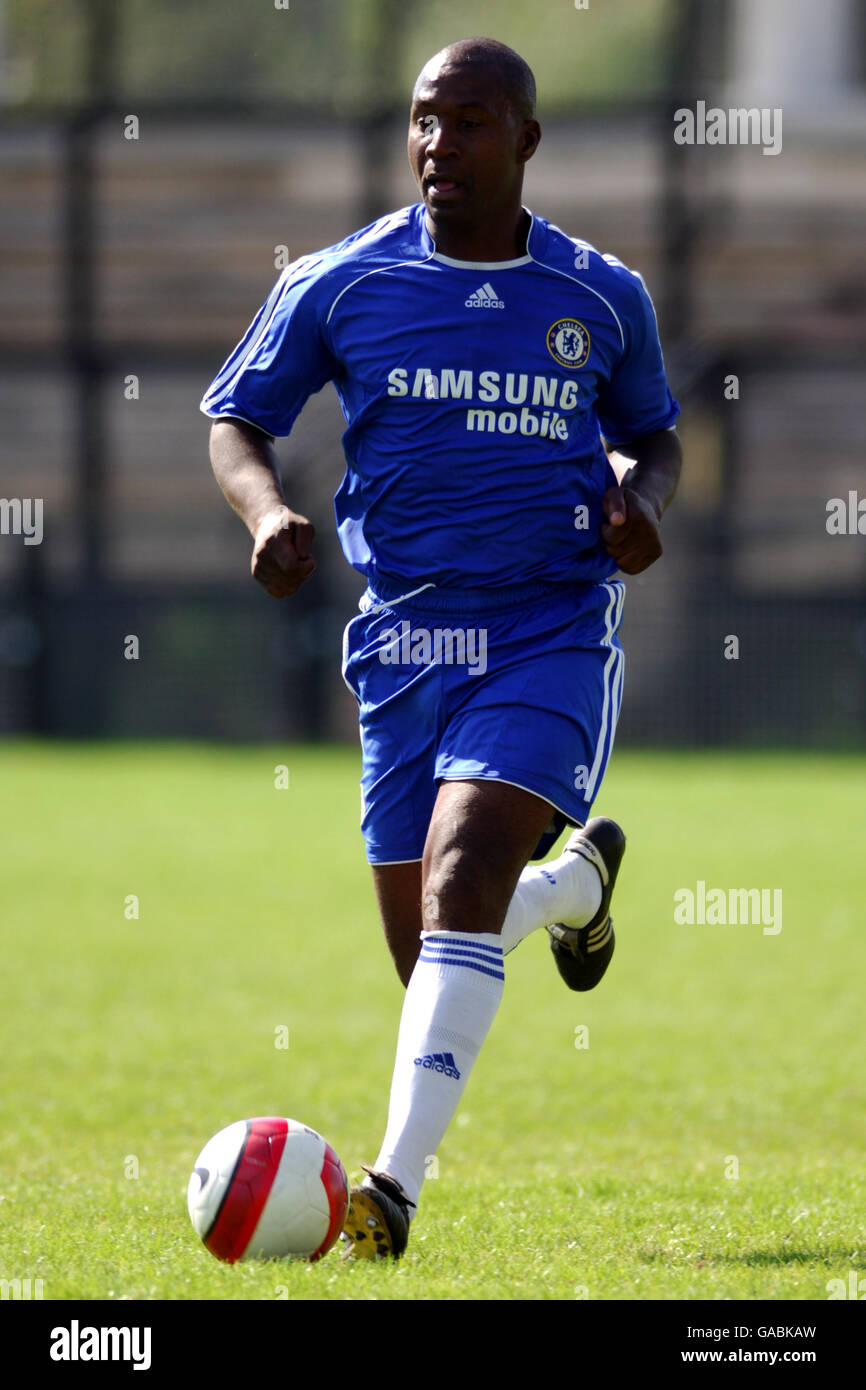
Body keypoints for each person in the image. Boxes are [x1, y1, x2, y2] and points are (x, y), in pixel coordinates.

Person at [202, 36, 681, 1260]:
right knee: (431, 943)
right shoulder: (342, 281)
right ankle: (570, 890)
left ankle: (388, 1194)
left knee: (461, 871)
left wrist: (641, 503)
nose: (437, 145)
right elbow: (238, 420)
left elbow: (651, 438)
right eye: (423, 120)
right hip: (402, 638)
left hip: (546, 624)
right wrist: (266, 513)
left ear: (524, 139)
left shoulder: (596, 293)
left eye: (468, 123)